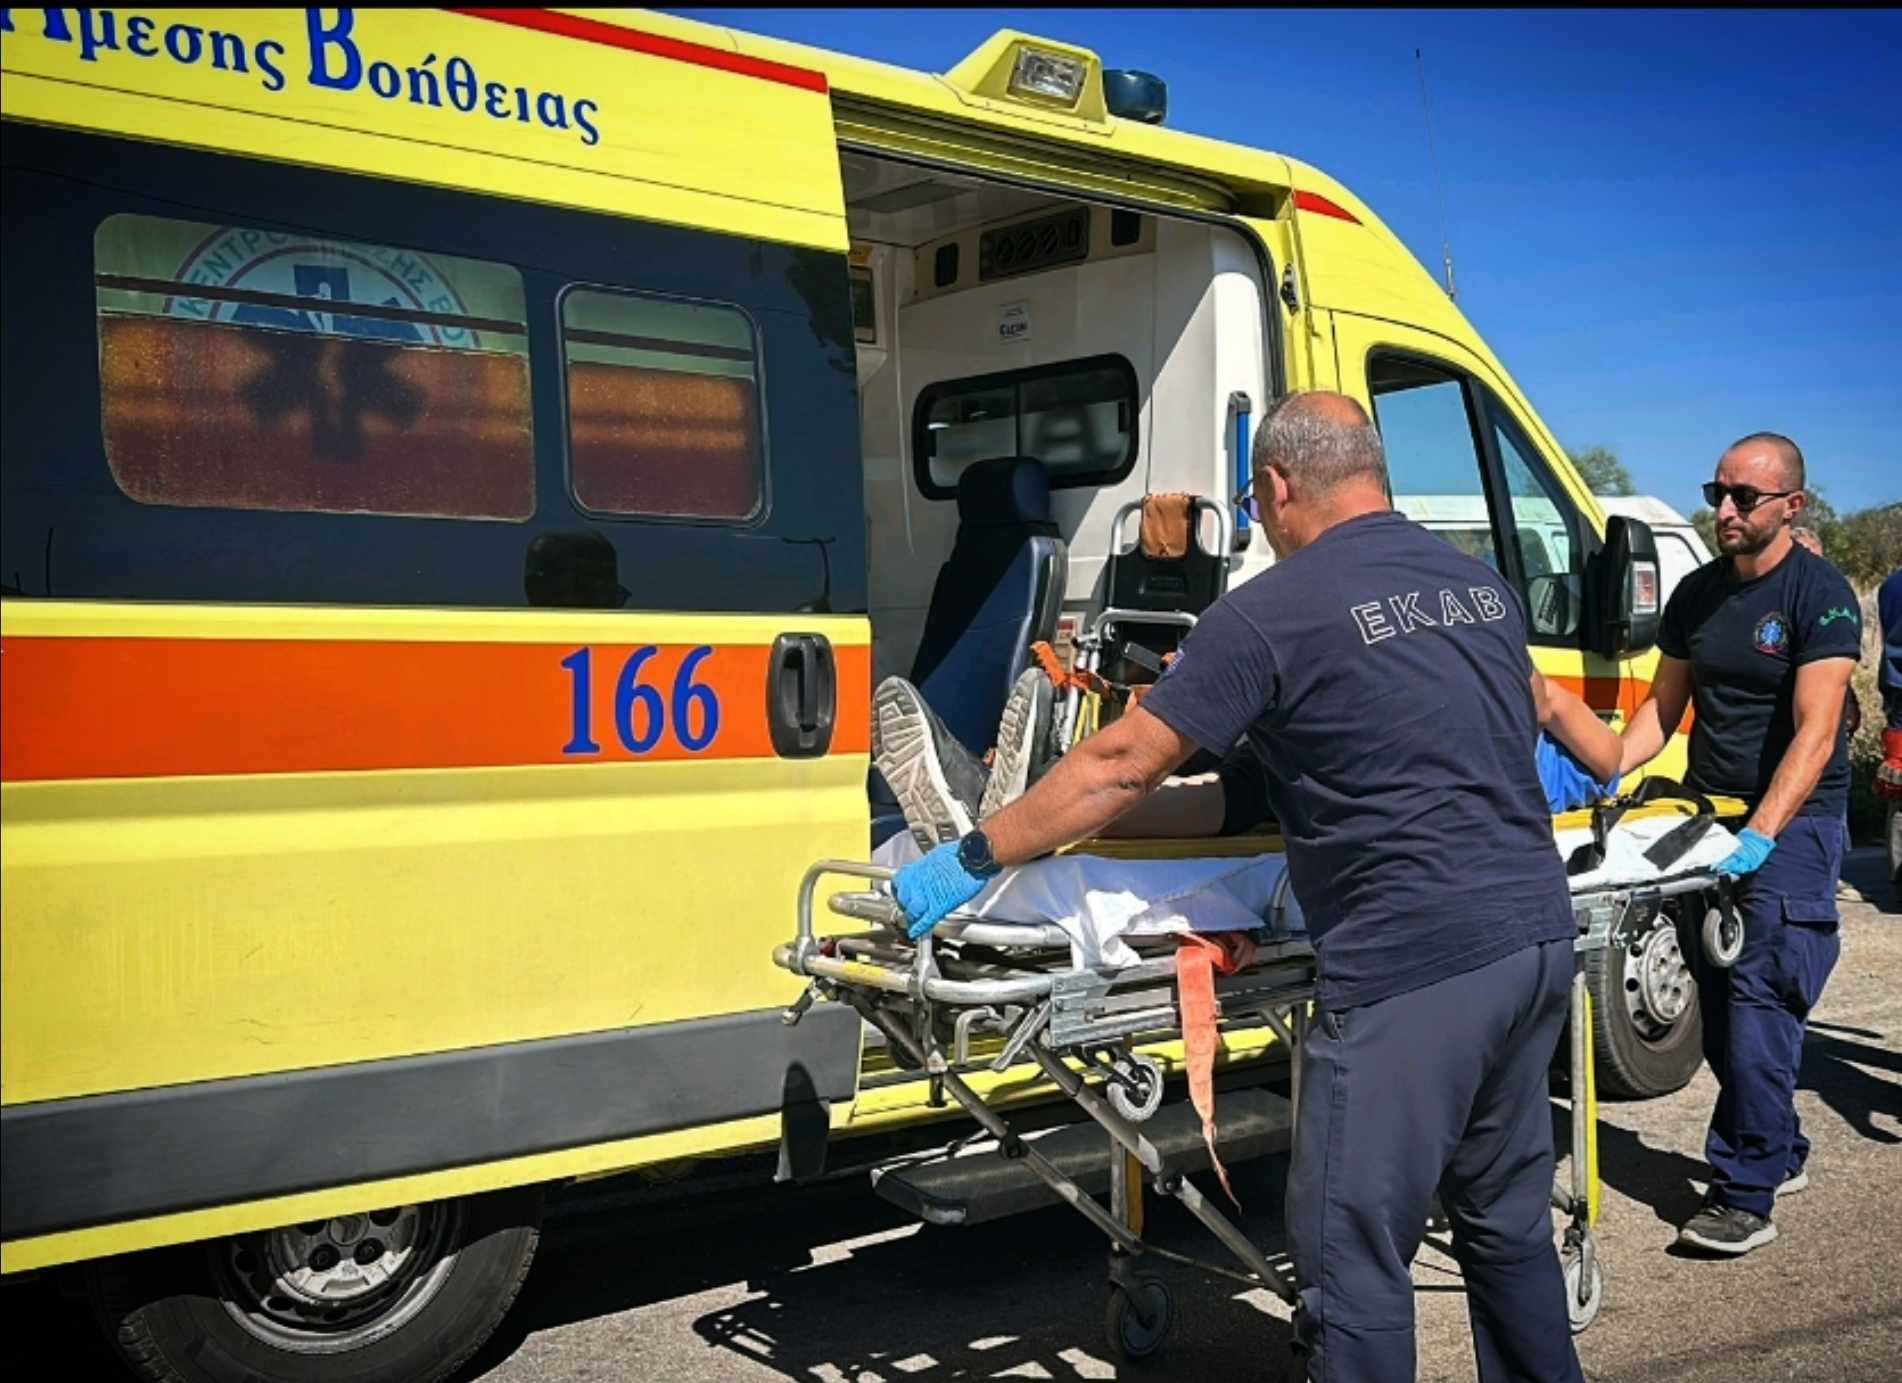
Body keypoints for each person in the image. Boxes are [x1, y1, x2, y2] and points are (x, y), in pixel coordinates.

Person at [889, 391, 1588, 1383]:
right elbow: (1379, 744)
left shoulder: (1272, 610)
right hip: (1534, 942)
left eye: (1258, 506)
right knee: (1507, 1229)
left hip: (1410, 968)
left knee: (1351, 1260)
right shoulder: (1480, 590)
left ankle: (986, 810)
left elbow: (1123, 763)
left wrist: (977, 856)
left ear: (1276, 486)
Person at [1617, 432, 1861, 1257]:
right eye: (1716, 493)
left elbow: (1818, 732)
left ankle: (1744, 1190)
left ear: (1792, 506)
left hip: (1794, 821)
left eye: (1743, 497)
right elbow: (1662, 710)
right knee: (1717, 1009)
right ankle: (1778, 1142)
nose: (1724, 509)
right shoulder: (1697, 594)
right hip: (1710, 818)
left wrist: (1760, 835)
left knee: (1761, 997)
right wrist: (1603, 766)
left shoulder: (1820, 593)